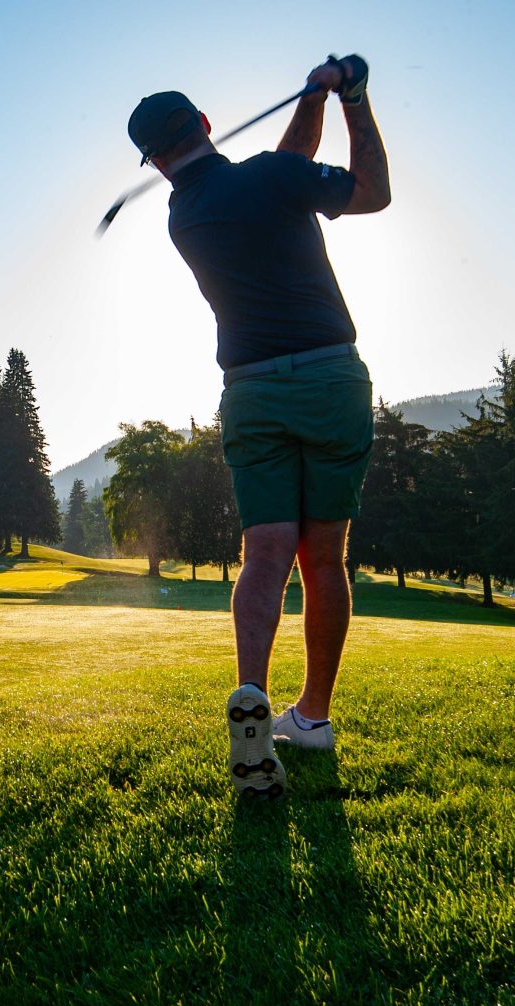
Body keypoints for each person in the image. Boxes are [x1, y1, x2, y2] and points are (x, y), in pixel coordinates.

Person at [125, 55, 390, 797]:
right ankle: (312, 717)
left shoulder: (187, 217)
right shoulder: (272, 179)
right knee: (325, 559)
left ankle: (253, 696)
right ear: (206, 123)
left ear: (154, 158)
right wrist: (352, 100)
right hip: (332, 377)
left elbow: (282, 164)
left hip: (251, 388)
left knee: (265, 552)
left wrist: (312, 95)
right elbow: (370, 193)